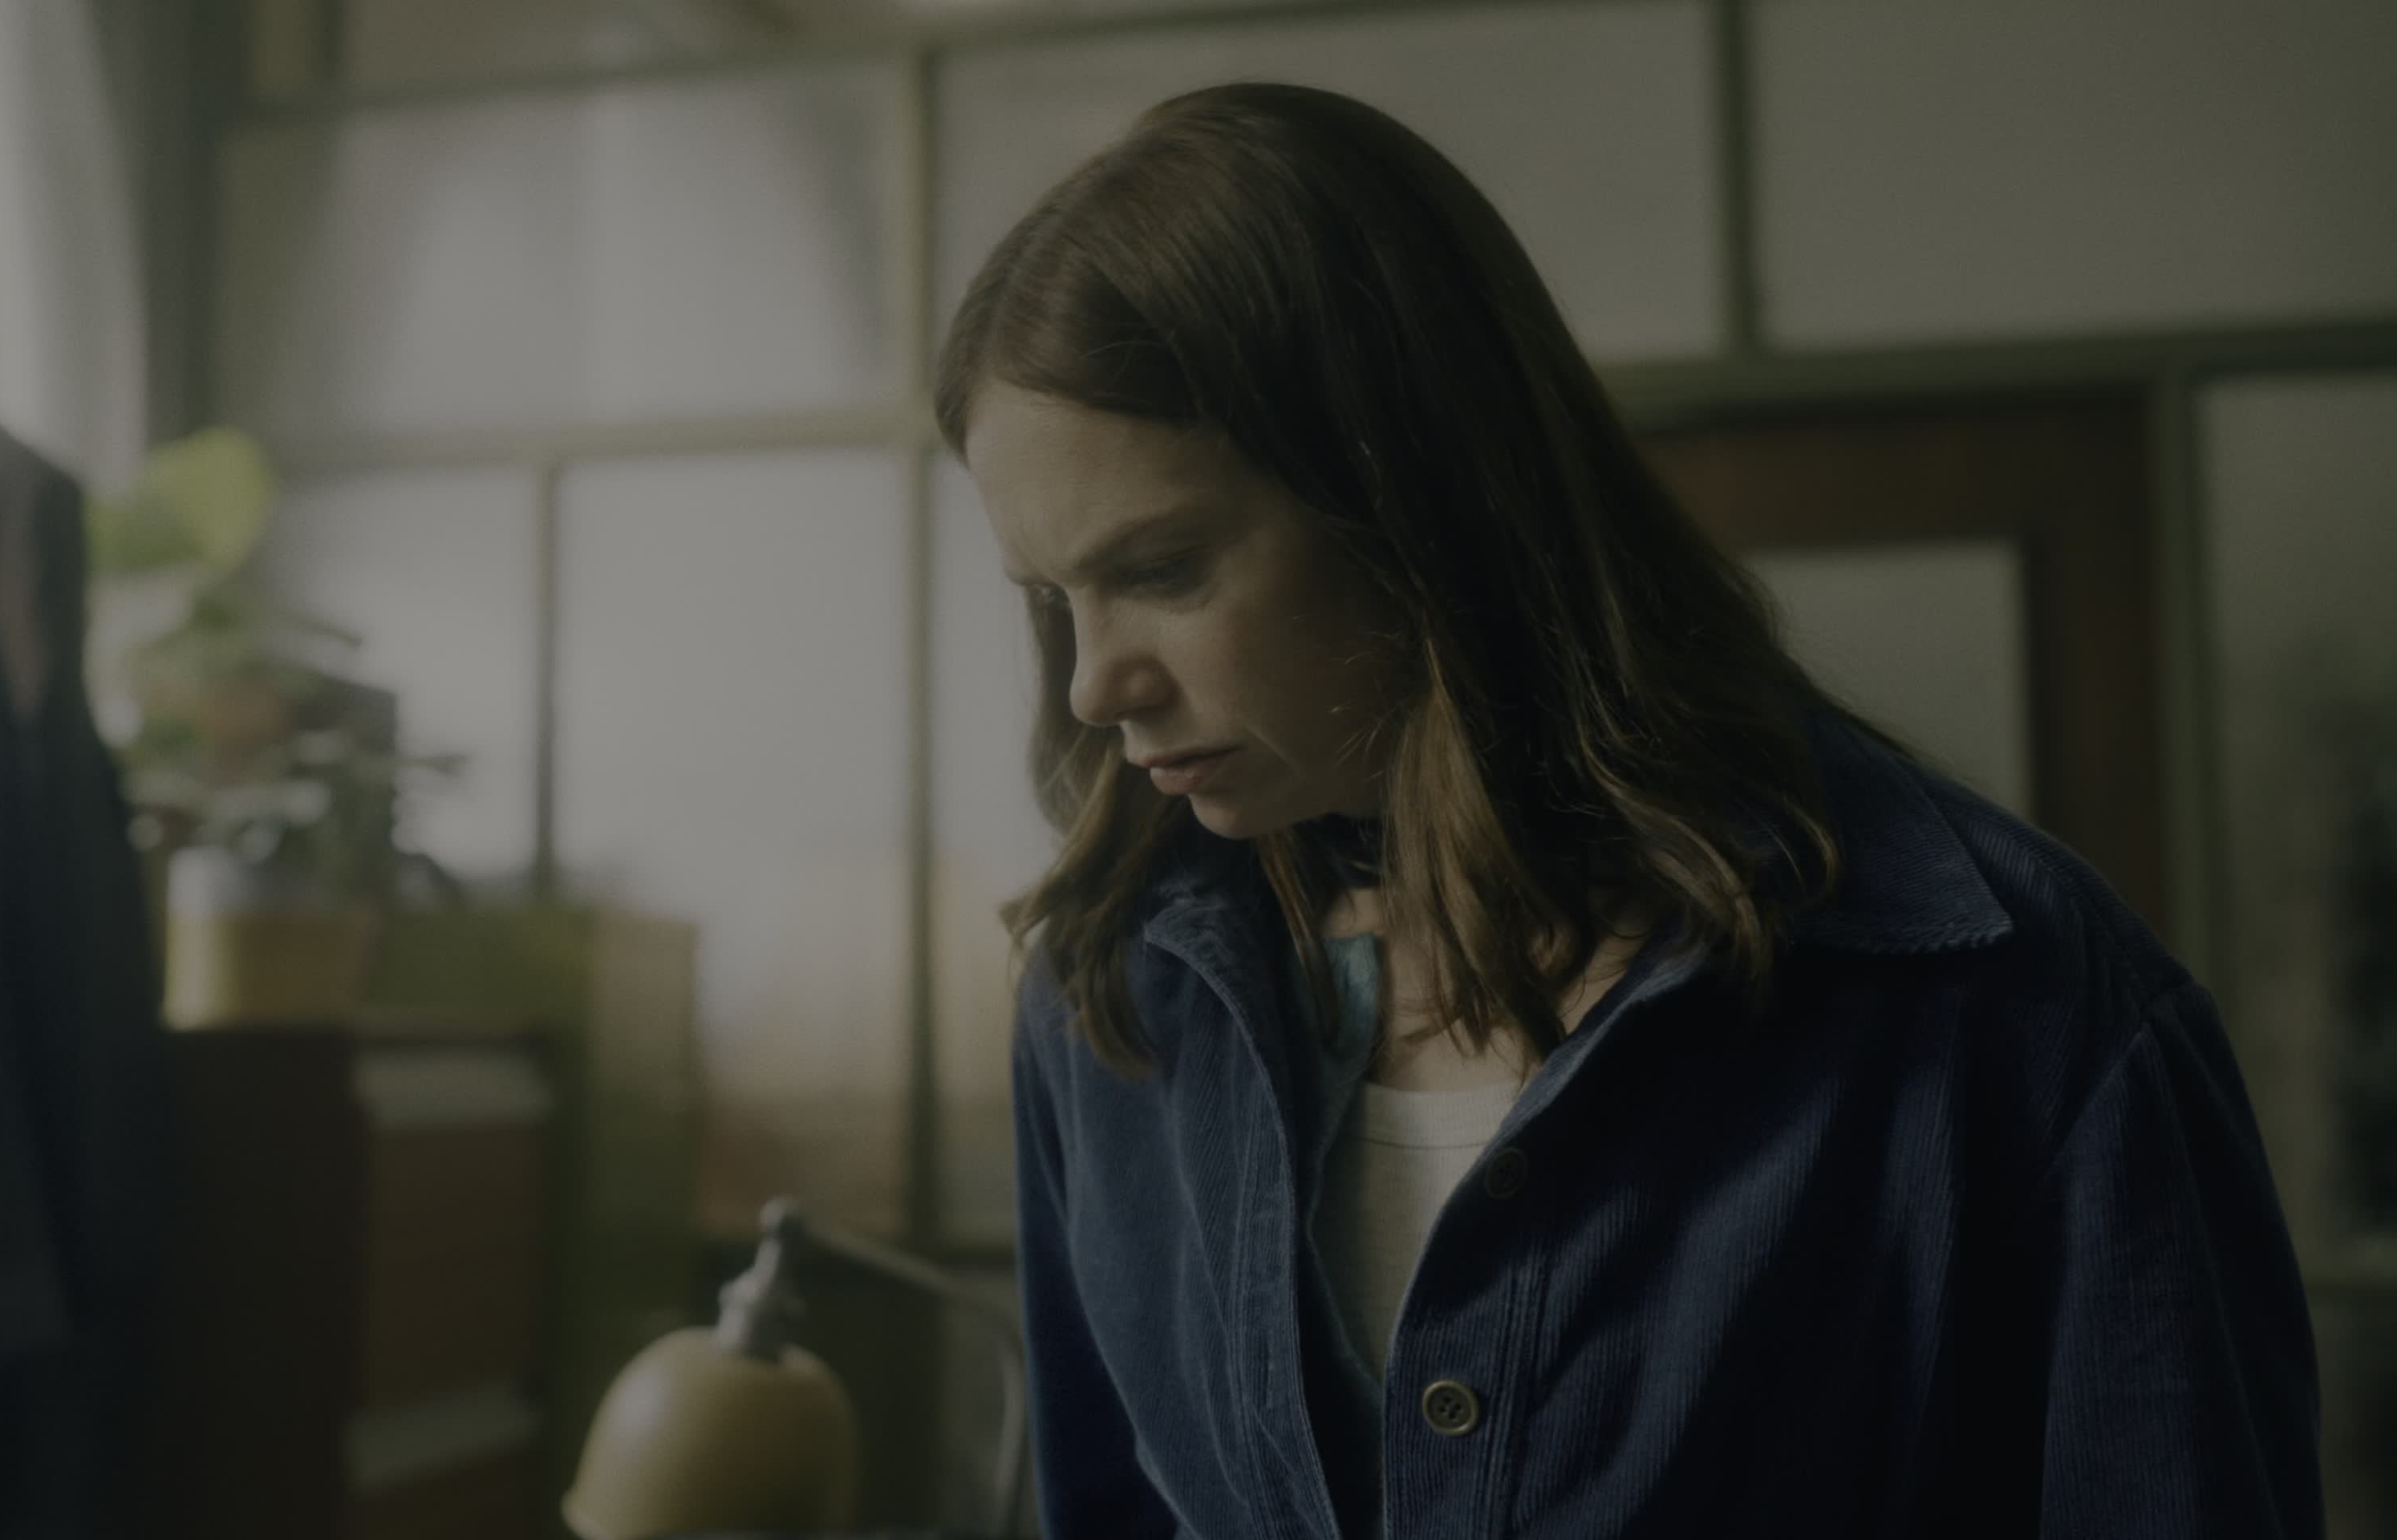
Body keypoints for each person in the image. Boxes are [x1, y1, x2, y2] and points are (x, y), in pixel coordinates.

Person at [943, 83, 2320, 1537]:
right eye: (1053, 597)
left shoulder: (2022, 1006)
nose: (1094, 683)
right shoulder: (1113, 997)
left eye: (1160, 570)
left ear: (1414, 497)